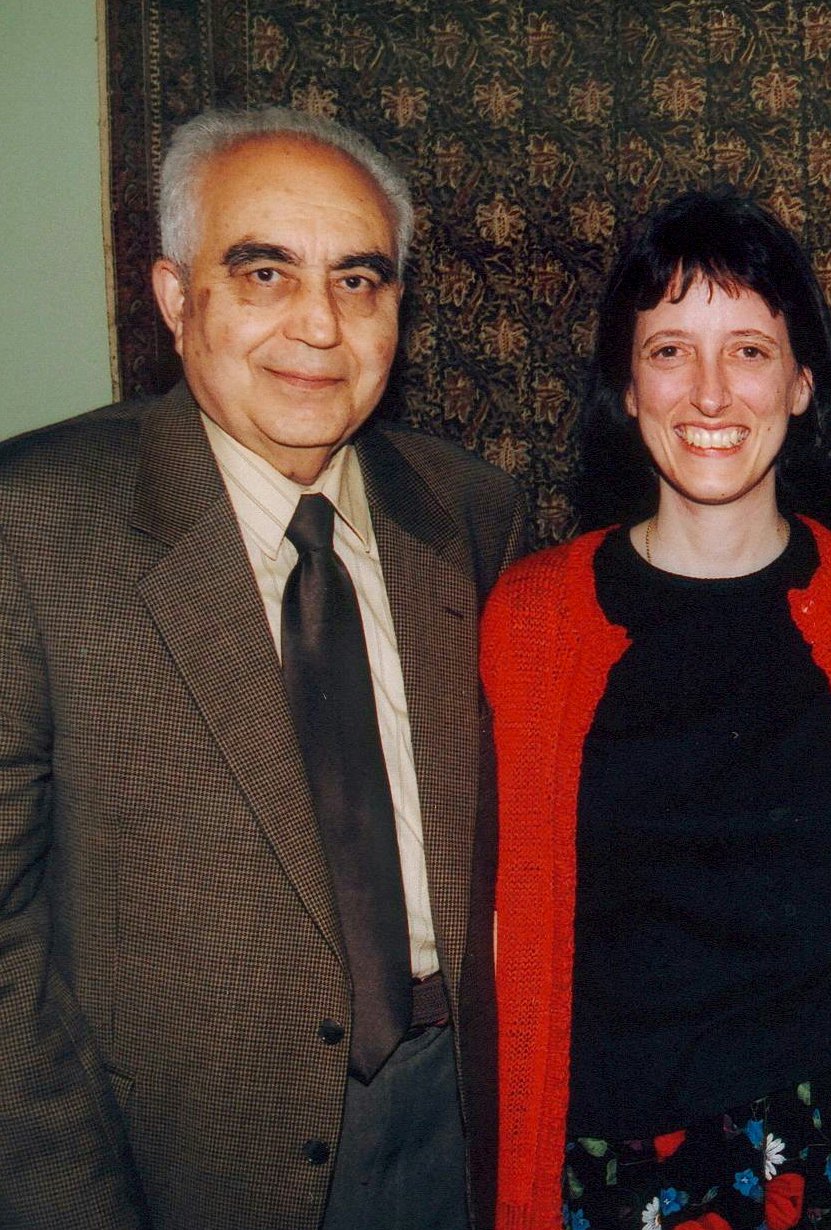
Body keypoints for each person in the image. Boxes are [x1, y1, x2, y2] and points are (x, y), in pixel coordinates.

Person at [0, 107, 525, 1230]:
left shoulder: (472, 512)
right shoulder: (32, 528)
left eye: (358, 280)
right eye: (265, 273)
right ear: (176, 298)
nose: (317, 327)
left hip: (459, 1122)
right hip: (178, 1162)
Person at [484, 189, 831, 1230]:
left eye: (747, 350)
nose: (710, 394)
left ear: (801, 380)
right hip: (606, 1152)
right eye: (669, 351)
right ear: (627, 387)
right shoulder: (532, 617)